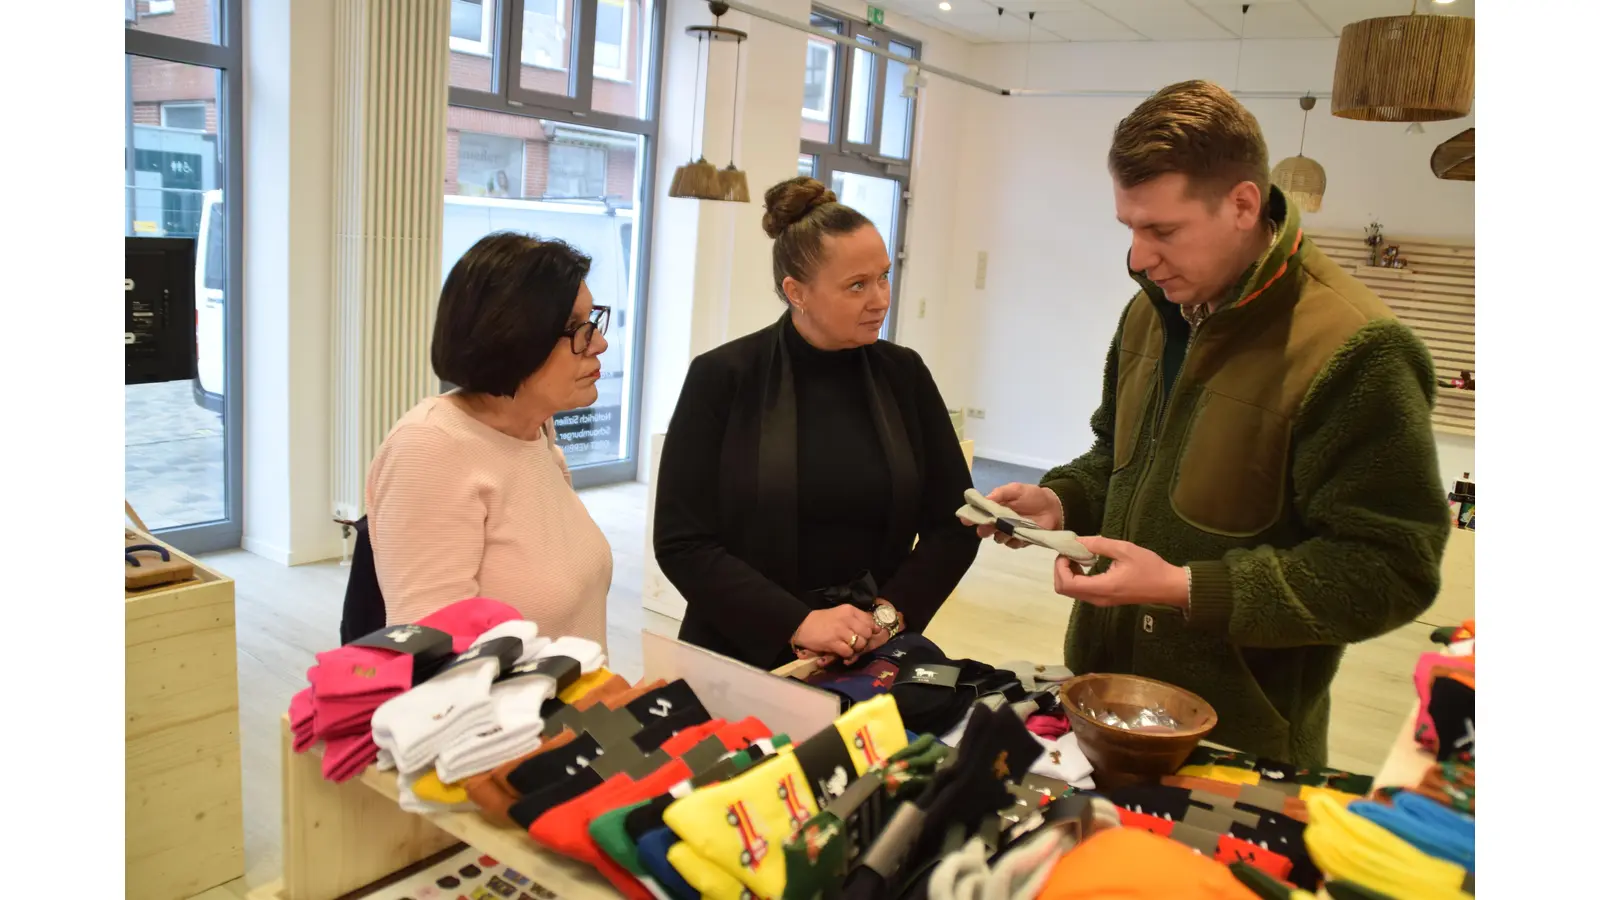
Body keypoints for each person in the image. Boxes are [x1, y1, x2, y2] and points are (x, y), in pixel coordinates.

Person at [971, 81, 1449, 767]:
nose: (1139, 258)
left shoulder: (1359, 348)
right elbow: (1118, 458)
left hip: (1236, 741)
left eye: (1163, 231)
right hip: (1098, 700)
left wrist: (1186, 588)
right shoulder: (1149, 313)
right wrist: (1061, 500)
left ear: (1243, 205)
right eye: (1130, 228)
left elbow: (1391, 569)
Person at [654, 177, 979, 670]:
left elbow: (954, 524)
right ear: (797, 292)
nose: (880, 299)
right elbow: (683, 542)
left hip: (870, 651)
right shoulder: (723, 376)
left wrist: (888, 616)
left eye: (883, 277)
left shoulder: (904, 374)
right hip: (741, 650)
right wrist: (796, 622)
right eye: (857, 285)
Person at [365, 232, 614, 646]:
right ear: (509, 334)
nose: (599, 343)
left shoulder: (536, 429)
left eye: (592, 321)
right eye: (574, 327)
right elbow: (432, 653)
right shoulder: (431, 448)